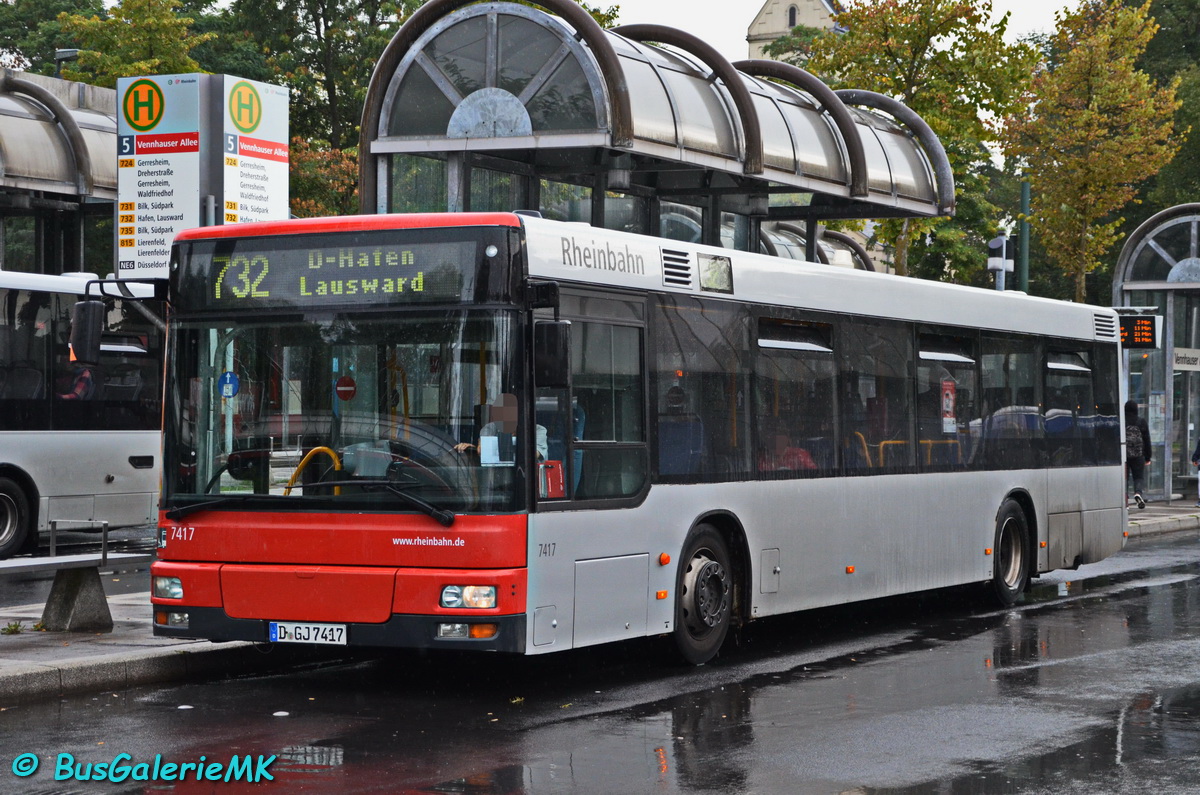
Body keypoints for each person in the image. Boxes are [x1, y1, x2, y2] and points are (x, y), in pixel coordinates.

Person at [1125, 400, 1151, 509]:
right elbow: (1147, 440)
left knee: (1124, 478)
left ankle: (1124, 499)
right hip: (1138, 455)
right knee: (1138, 477)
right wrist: (1148, 457)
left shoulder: (1122, 421)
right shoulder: (1141, 422)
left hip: (1124, 456)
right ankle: (1138, 493)